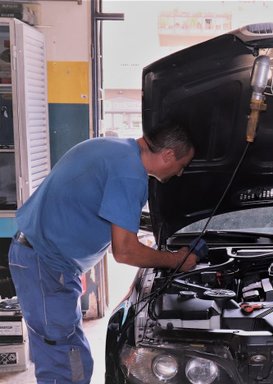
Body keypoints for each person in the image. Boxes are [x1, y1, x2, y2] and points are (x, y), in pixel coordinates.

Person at [8, 121, 200, 383]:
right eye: (182, 165)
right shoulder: (130, 173)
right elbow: (125, 252)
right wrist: (175, 260)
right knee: (65, 361)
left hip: (40, 258)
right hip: (46, 265)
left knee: (61, 350)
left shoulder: (113, 148)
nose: (179, 173)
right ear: (167, 155)